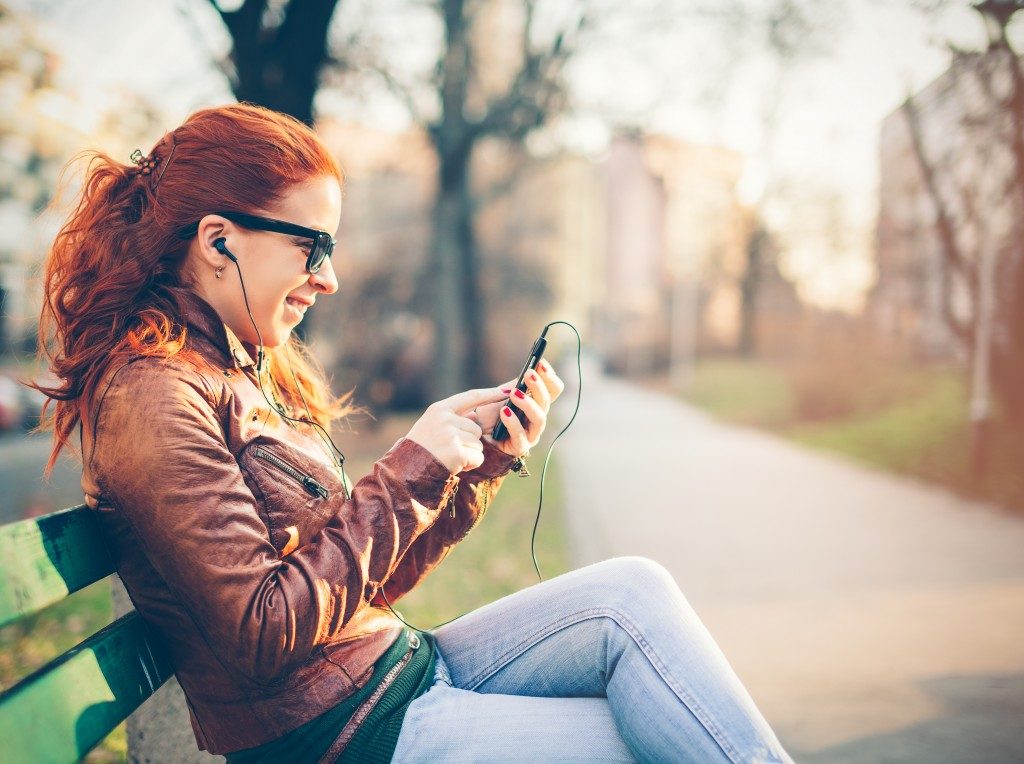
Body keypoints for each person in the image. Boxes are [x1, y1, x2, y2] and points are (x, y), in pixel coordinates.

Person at [32, 102, 792, 763]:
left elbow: (369, 585)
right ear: (218, 239)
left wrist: (473, 468)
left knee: (633, 593)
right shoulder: (151, 396)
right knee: (658, 743)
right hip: (341, 737)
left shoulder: (234, 370)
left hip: (391, 674)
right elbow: (262, 633)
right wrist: (410, 468)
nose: (327, 277)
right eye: (312, 246)